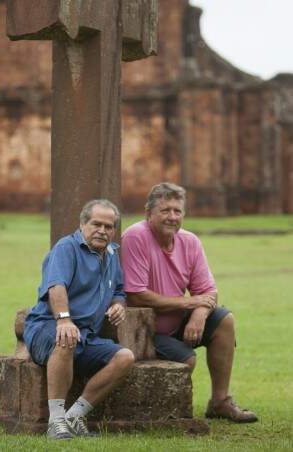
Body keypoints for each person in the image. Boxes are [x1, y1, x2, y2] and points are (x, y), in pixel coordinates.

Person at [121, 182, 258, 423]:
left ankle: (219, 402)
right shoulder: (136, 237)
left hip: (181, 320)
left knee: (224, 320)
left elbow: (208, 292)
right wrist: (189, 304)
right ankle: (163, 415)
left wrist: (199, 314)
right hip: (145, 330)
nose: (172, 217)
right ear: (148, 213)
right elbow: (137, 295)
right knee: (186, 360)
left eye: (177, 211)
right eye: (165, 210)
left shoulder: (190, 241)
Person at [24, 199, 134, 440]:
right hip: (46, 327)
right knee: (66, 337)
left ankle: (75, 415)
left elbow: (118, 290)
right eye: (96, 224)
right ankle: (56, 421)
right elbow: (56, 286)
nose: (102, 231)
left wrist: (118, 305)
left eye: (108, 226)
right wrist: (63, 319)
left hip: (86, 335)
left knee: (125, 357)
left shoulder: (112, 255)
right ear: (82, 224)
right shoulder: (66, 248)